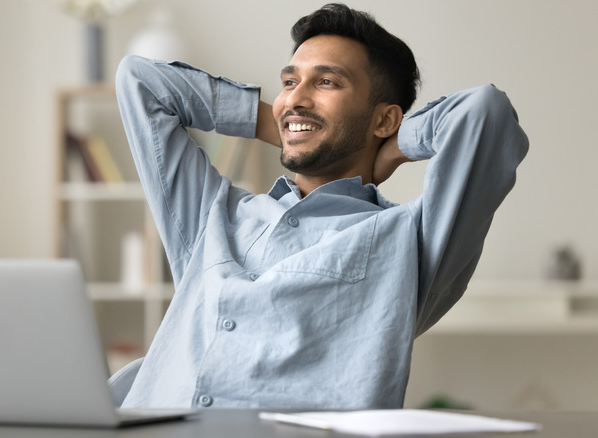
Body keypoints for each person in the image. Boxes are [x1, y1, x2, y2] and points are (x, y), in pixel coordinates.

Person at [112, 3, 528, 409]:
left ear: (384, 119)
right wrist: (286, 124)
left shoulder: (411, 239)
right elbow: (140, 81)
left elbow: (485, 115)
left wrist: (391, 146)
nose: (296, 97)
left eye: (327, 82)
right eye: (290, 82)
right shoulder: (214, 215)